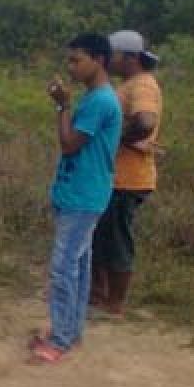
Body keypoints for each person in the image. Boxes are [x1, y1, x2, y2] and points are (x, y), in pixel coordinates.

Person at [30, 34, 122, 365]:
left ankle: (60, 339)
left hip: (83, 195)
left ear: (98, 59)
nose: (71, 66)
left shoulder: (99, 101)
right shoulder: (97, 97)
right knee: (79, 266)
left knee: (64, 266)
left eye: (76, 60)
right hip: (82, 192)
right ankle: (70, 331)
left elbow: (69, 143)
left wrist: (62, 106)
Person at [91, 30, 162, 316]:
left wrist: (116, 139)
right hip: (117, 176)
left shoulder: (142, 86)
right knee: (104, 235)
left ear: (130, 57)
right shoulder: (131, 84)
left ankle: (114, 302)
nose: (108, 61)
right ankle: (99, 294)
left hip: (129, 179)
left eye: (113, 55)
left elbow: (145, 122)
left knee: (117, 239)